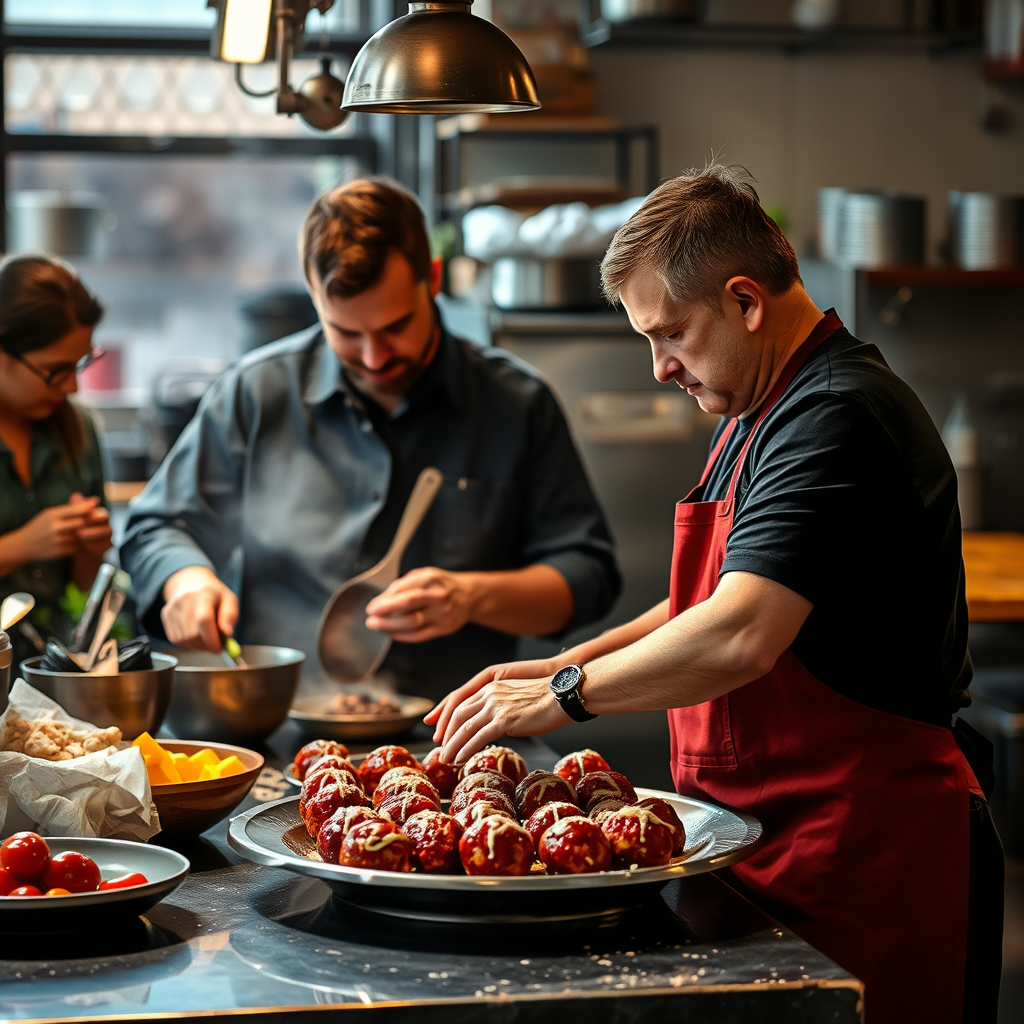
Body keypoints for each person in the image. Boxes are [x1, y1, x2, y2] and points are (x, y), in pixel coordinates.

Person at [428, 165, 1003, 1023]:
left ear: (745, 301)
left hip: (864, 855)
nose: (661, 368)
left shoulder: (837, 416)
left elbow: (740, 633)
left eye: (671, 336)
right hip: (765, 843)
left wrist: (565, 696)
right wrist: (563, 659)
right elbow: (706, 598)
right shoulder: (755, 410)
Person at [121, 177, 620, 698]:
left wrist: (473, 595)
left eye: (395, 327)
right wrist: (187, 580)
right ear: (314, 296)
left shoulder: (517, 403)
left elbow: (589, 577)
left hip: (460, 737)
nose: (375, 358)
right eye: (347, 334)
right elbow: (156, 525)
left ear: (432, 279)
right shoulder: (256, 393)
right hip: (281, 729)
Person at [0, 255, 112, 667]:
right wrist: (22, 545)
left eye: (82, 362)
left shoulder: (77, 430)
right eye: (54, 370)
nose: (73, 384)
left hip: (56, 675)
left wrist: (90, 550)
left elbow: (80, 592)